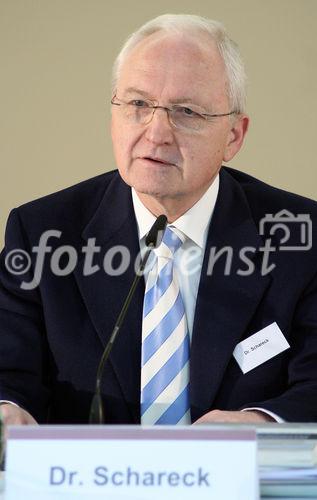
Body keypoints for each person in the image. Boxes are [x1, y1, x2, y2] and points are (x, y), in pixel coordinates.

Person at [1, 14, 317, 427]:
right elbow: (9, 370)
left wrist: (261, 422)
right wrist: (7, 410)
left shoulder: (300, 238)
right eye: (137, 104)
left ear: (233, 138)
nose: (156, 132)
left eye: (186, 111)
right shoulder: (41, 233)